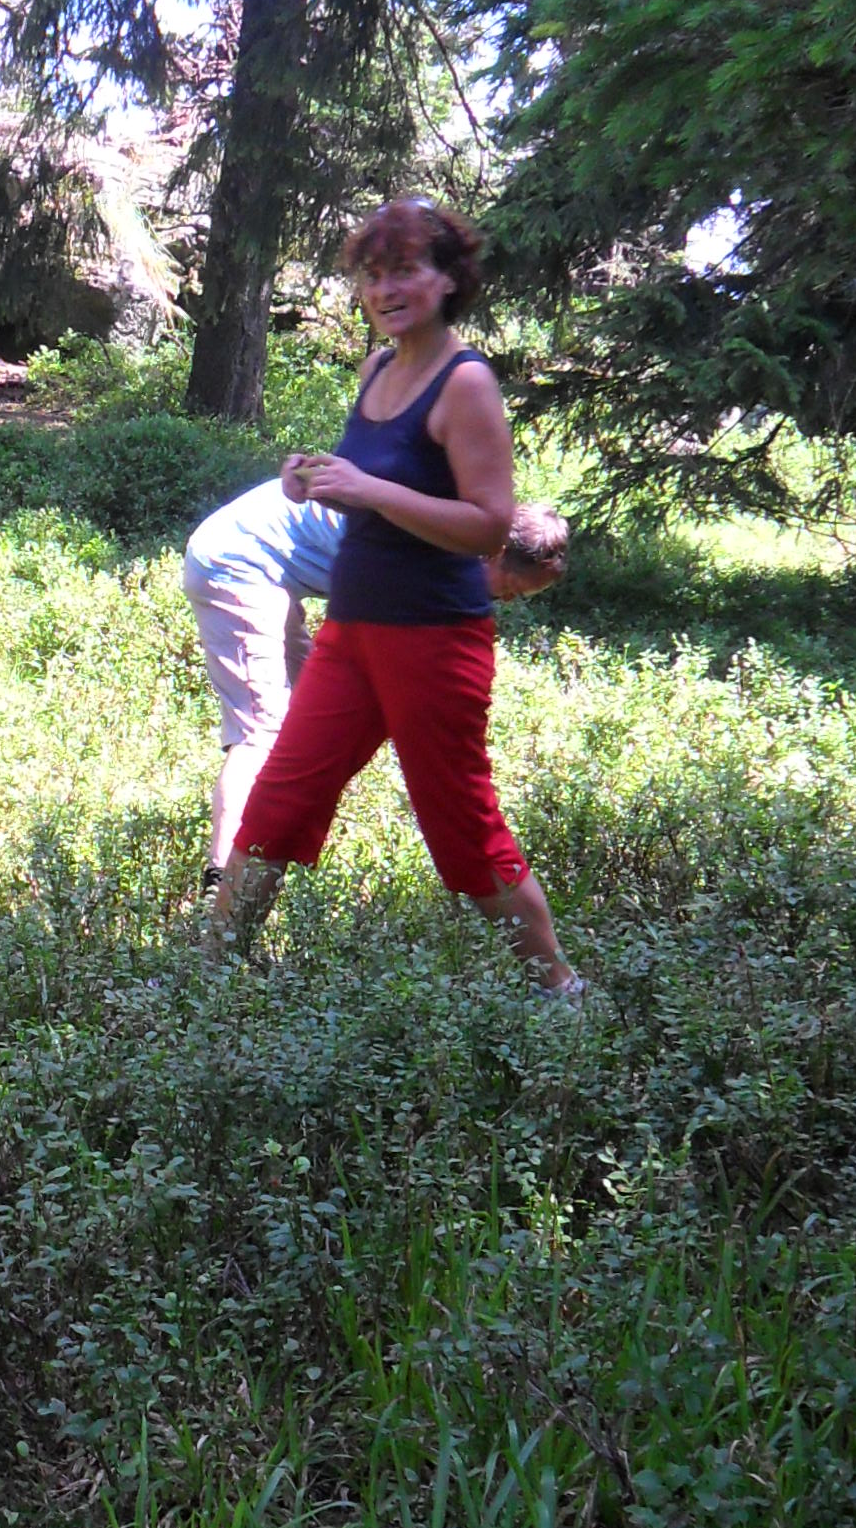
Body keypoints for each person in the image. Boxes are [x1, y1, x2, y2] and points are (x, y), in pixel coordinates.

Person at [204, 198, 578, 993]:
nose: (384, 290)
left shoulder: (465, 383)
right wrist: (314, 481)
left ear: (448, 279)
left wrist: (368, 489)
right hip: (352, 633)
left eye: (404, 270)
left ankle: (560, 991)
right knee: (280, 799)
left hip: (434, 639)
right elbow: (378, 492)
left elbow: (487, 527)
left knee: (460, 827)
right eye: (372, 275)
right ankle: (210, 976)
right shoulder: (377, 368)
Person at [181, 477, 345, 875]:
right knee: (260, 729)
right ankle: (221, 880)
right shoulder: (410, 535)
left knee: (316, 700)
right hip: (235, 565)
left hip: (267, 569)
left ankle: (288, 835)